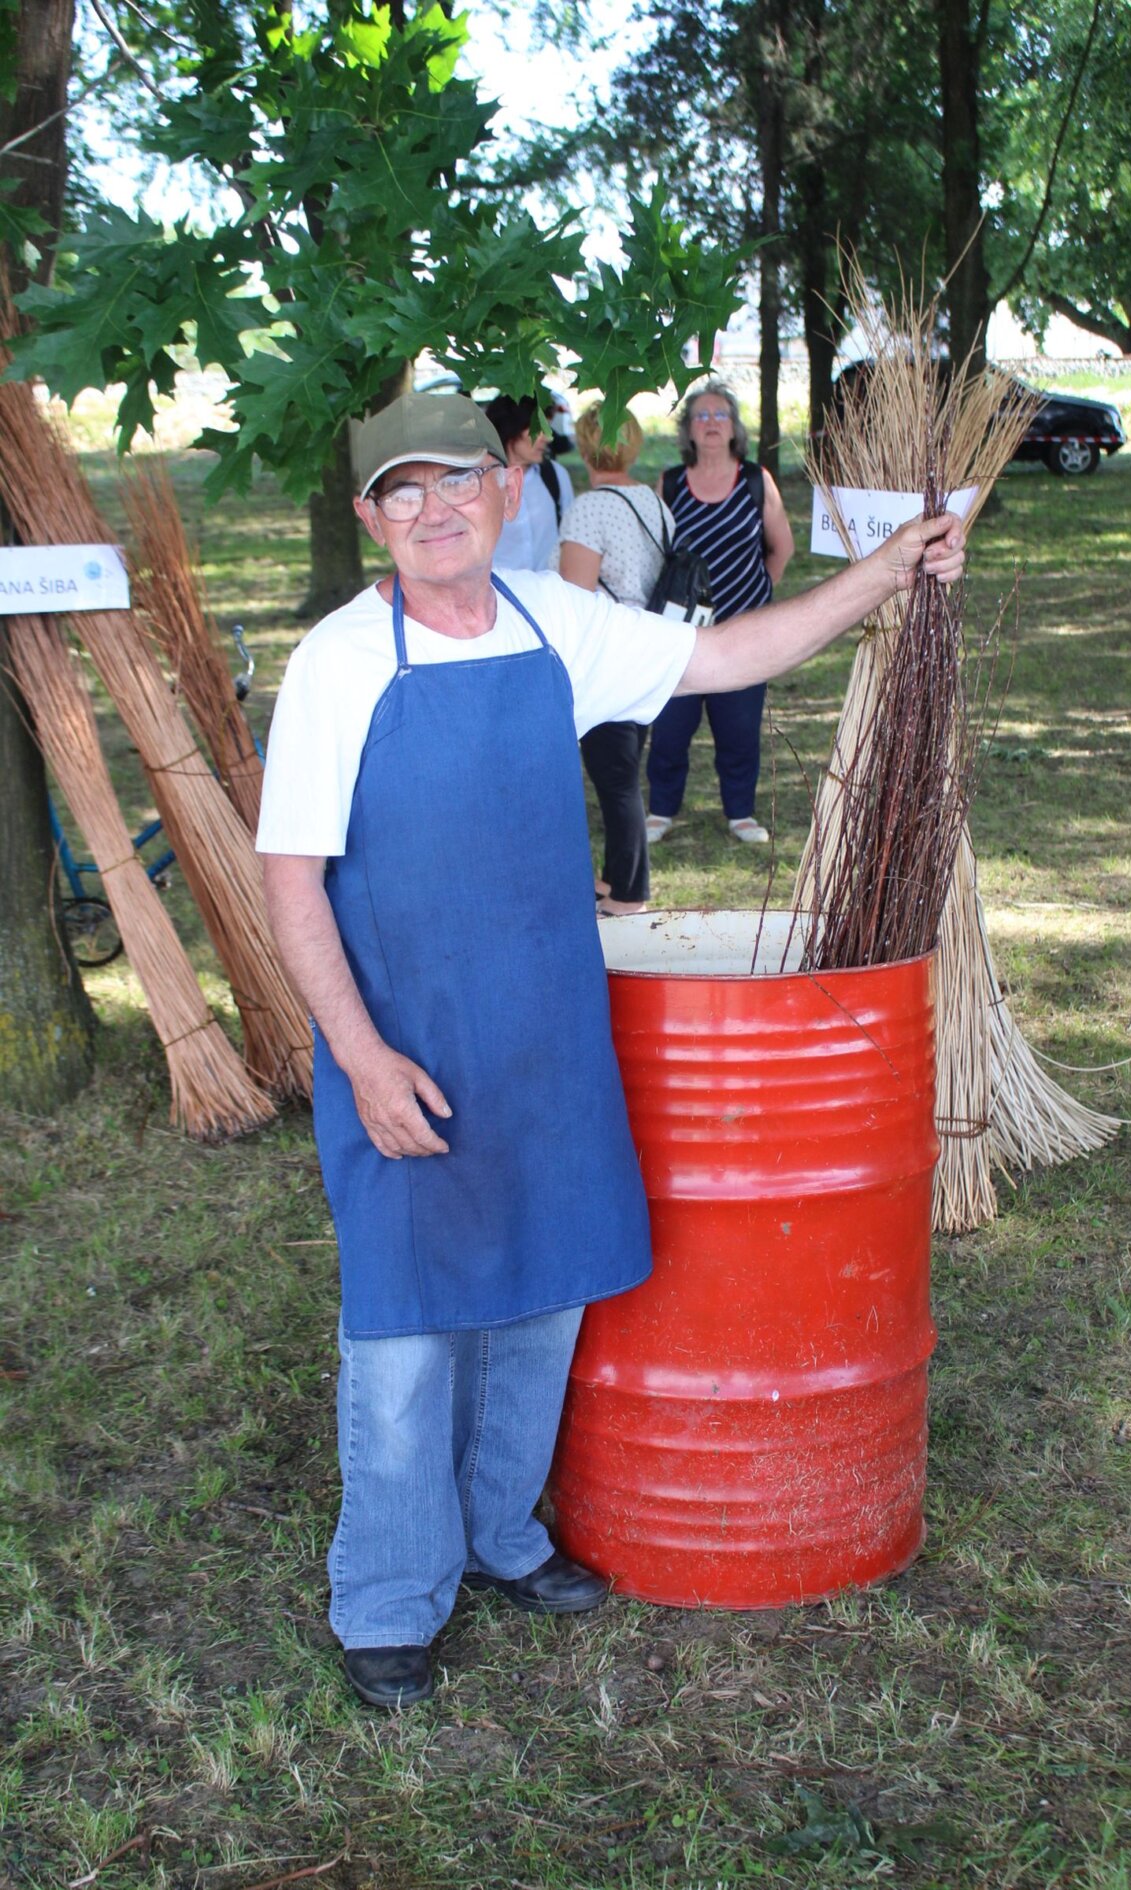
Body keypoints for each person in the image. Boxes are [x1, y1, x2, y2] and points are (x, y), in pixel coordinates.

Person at [257, 388, 965, 1711]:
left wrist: (881, 573)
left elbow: (728, 659)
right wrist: (357, 1055)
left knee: (541, 1295)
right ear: (369, 518)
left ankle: (501, 1531)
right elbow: (290, 879)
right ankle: (391, 1596)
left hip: (545, 1037)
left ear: (502, 488)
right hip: (405, 1044)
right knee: (408, 1329)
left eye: (453, 482)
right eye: (399, 493)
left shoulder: (553, 623)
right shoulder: (340, 663)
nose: (433, 511)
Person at [645, 380, 796, 846]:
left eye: (720, 416)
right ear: (688, 430)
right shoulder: (670, 483)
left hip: (743, 635)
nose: (710, 424)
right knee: (669, 729)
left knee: (739, 728)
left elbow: (782, 548)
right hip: (682, 634)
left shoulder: (755, 480)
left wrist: (756, 596)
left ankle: (741, 813)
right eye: (701, 416)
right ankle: (661, 810)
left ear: (734, 429)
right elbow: (655, 552)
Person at [557, 403, 675, 917]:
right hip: (647, 647)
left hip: (604, 654)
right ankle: (620, 879)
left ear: (586, 445)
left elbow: (574, 595)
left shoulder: (590, 507)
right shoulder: (654, 502)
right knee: (624, 770)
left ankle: (628, 893)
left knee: (616, 777)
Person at [484, 393, 574, 571]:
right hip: (499, 595)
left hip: (548, 594)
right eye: (538, 429)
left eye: (547, 429)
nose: (547, 438)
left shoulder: (555, 475)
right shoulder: (480, 481)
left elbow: (571, 538)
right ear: (512, 429)